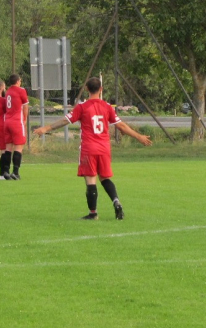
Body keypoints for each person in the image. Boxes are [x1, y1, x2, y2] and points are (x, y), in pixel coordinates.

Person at [34, 76, 152, 220]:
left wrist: (46, 128)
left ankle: (93, 213)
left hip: (89, 148)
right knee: (105, 178)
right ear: (101, 89)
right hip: (104, 148)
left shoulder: (82, 107)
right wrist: (138, 136)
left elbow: (66, 120)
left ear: (86, 90)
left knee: (91, 180)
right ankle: (116, 201)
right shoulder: (107, 107)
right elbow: (121, 126)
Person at [2, 74, 29, 180]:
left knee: (8, 147)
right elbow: (25, 106)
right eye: (20, 81)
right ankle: (16, 172)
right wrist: (25, 119)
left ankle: (6, 171)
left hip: (7, 121)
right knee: (18, 146)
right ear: (17, 81)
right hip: (17, 121)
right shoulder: (21, 90)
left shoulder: (8, 91)